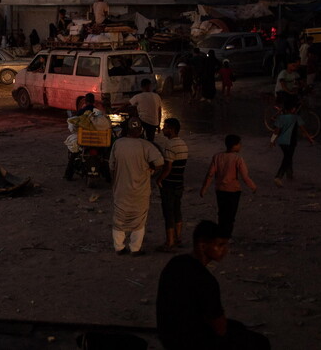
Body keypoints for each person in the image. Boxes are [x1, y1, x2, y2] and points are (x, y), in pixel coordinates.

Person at [156, 220, 271, 350]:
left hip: (168, 335)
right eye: (220, 245)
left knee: (237, 327)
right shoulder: (205, 280)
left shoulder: (176, 263)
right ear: (203, 246)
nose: (224, 250)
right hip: (190, 342)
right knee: (260, 342)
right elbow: (220, 328)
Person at [109, 118, 165, 255]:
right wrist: (151, 171)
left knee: (119, 219)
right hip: (140, 190)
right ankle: (135, 248)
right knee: (139, 220)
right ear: (140, 130)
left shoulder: (118, 144)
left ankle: (119, 247)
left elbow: (111, 167)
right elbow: (159, 163)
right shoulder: (146, 145)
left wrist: (116, 180)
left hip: (121, 189)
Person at [200, 135, 257, 236]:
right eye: (239, 144)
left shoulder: (217, 157)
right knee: (230, 215)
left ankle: (221, 234)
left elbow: (210, 174)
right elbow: (245, 177)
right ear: (235, 145)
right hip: (233, 191)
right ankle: (226, 236)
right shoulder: (238, 158)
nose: (241, 146)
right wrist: (253, 187)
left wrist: (204, 188)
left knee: (222, 213)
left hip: (220, 190)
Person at [155, 118, 188, 252]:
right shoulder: (183, 144)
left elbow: (168, 167)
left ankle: (170, 241)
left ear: (172, 129)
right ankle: (178, 237)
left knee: (168, 212)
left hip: (169, 183)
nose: (163, 129)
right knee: (177, 209)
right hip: (179, 182)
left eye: (165, 127)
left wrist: (159, 179)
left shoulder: (170, 145)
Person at [268, 97, 314, 186]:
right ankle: (279, 176)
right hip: (291, 142)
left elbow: (276, 131)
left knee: (288, 156)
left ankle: (289, 174)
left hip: (282, 142)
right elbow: (303, 130)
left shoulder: (281, 118)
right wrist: (310, 139)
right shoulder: (296, 118)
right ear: (293, 109)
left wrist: (272, 140)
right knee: (287, 157)